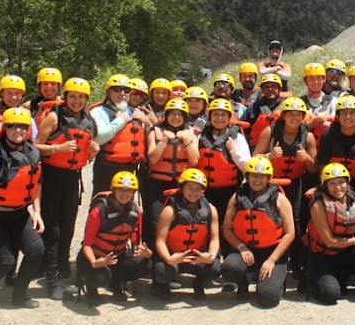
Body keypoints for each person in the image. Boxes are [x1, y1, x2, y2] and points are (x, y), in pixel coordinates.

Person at [0, 107, 44, 310]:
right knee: (5, 262)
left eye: (22, 126)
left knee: (37, 250)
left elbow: (37, 184)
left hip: (19, 214)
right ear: (4, 128)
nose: (17, 130)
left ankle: (20, 295)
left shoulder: (33, 152)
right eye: (12, 126)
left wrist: (37, 213)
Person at [34, 77, 99, 300]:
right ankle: (52, 278)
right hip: (51, 177)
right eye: (72, 96)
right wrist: (58, 148)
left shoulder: (88, 121)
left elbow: (85, 156)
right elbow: (35, 148)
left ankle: (62, 269)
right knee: (53, 230)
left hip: (72, 178)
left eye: (80, 97)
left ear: (86, 99)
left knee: (68, 227)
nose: (76, 100)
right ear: (65, 97)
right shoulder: (54, 116)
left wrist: (92, 152)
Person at [253, 96, 318, 272]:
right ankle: (265, 258)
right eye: (291, 114)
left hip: (295, 183)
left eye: (298, 115)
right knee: (268, 219)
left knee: (296, 222)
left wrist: (306, 159)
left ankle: (295, 261)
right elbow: (254, 157)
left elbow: (314, 168)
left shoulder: (308, 136)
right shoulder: (270, 132)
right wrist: (269, 156)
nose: (294, 118)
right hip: (270, 183)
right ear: (283, 116)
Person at [222, 157, 296, 307]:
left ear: (268, 178)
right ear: (247, 177)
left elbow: (290, 234)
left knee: (268, 298)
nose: (257, 179)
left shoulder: (280, 199)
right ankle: (243, 285)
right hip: (247, 250)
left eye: (262, 176)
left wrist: (271, 260)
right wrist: (241, 247)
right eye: (253, 175)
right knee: (229, 267)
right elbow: (227, 229)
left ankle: (276, 281)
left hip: (272, 252)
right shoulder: (236, 198)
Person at [303, 164, 355, 304]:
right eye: (332, 183)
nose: (338, 187)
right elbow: (329, 241)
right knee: (330, 295)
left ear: (347, 182)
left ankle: (340, 276)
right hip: (322, 254)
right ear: (325, 185)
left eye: (341, 182)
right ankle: (313, 276)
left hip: (343, 252)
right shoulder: (318, 203)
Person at [77, 171, 152, 307]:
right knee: (100, 277)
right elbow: (87, 244)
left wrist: (147, 254)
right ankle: (91, 288)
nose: (125, 194)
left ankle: (115, 283)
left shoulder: (135, 212)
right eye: (121, 190)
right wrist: (95, 262)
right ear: (113, 190)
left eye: (129, 190)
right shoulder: (99, 211)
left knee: (146, 265)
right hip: (94, 256)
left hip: (116, 256)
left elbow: (135, 244)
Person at [152, 169, 221, 300]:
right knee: (162, 272)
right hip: (174, 255)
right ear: (182, 188)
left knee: (215, 268)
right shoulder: (170, 210)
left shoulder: (211, 210)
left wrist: (210, 256)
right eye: (190, 187)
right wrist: (169, 259)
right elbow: (159, 241)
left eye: (198, 188)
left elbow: (214, 239)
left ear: (203, 191)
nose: (194, 192)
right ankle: (162, 285)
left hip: (196, 255)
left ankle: (198, 283)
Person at [146, 99, 200, 241]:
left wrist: (187, 141)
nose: (176, 117)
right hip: (158, 183)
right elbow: (152, 159)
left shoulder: (191, 134)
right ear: (167, 115)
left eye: (180, 114)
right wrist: (163, 141)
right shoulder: (155, 132)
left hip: (182, 186)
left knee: (180, 222)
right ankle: (156, 256)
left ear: (185, 117)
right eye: (173, 114)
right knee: (156, 222)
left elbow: (194, 160)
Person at [90, 74, 148, 195]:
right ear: (108, 92)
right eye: (117, 90)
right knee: (101, 204)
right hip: (106, 168)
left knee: (126, 207)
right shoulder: (98, 112)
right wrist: (120, 121)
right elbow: (98, 138)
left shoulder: (137, 112)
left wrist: (147, 123)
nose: (122, 93)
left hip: (129, 168)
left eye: (126, 90)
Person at [197, 98, 251, 224]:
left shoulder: (237, 138)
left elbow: (247, 167)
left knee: (227, 224)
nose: (219, 118)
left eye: (223, 114)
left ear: (229, 117)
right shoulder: (200, 135)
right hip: (204, 190)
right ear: (210, 116)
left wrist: (233, 150)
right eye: (215, 114)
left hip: (230, 190)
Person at [316, 95, 355, 196]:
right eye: (344, 113)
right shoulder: (328, 136)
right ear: (337, 116)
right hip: (334, 183)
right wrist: (324, 189)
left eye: (352, 113)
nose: (348, 117)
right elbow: (323, 165)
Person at [0, 75, 38, 141]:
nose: (14, 97)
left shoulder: (29, 119)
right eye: (9, 93)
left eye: (17, 93)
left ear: (22, 95)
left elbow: (34, 142)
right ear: (2, 94)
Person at [242, 73, 284, 147]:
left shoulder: (286, 107)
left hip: (280, 147)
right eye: (266, 87)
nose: (270, 89)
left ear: (279, 89)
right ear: (262, 90)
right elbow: (241, 126)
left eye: (273, 86)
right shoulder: (254, 107)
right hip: (256, 147)